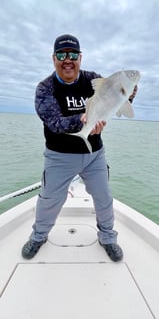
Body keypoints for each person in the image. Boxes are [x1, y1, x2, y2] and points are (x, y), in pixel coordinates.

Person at [22, 34, 137, 262]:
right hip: (59, 157)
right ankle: (39, 235)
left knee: (104, 198)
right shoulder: (45, 88)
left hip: (94, 155)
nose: (68, 60)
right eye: (62, 54)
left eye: (73, 54)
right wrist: (85, 122)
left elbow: (115, 101)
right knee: (49, 200)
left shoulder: (93, 79)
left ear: (80, 58)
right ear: (54, 58)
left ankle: (108, 238)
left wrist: (129, 93)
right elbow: (54, 123)